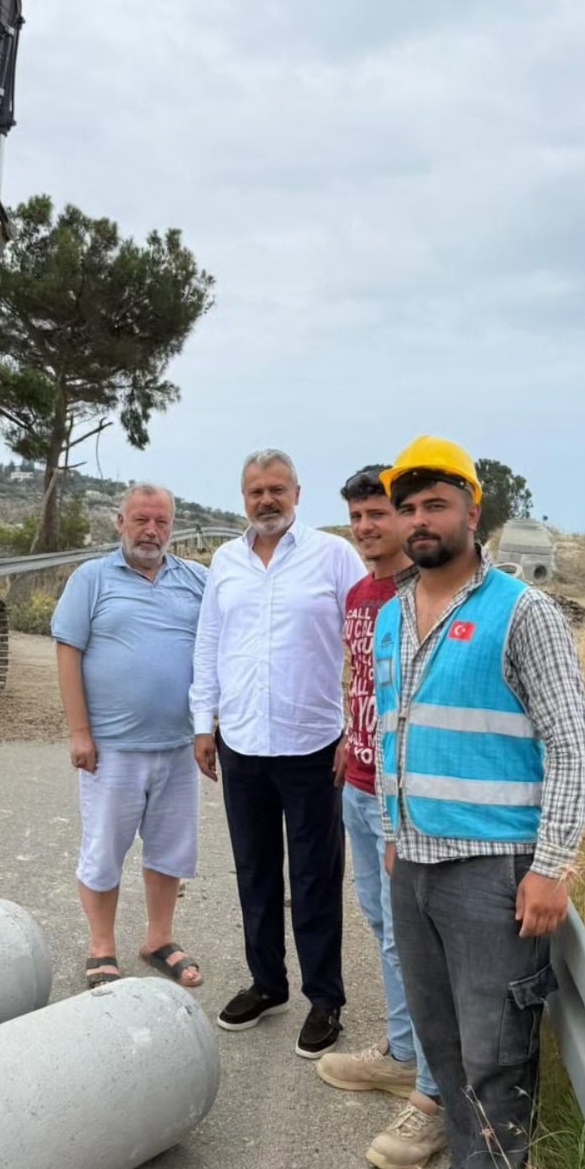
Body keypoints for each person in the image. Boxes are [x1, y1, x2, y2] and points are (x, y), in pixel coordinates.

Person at [373, 436, 585, 1169]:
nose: (420, 522)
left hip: (493, 875)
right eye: (408, 507)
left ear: (473, 510)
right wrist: (393, 832)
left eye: (436, 505)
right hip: (415, 869)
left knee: (497, 1057)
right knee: (448, 1050)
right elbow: (398, 731)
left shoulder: (521, 612)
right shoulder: (396, 610)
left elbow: (572, 742)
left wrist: (551, 865)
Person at [191, 450, 365, 1058]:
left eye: (276, 490)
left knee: (316, 877)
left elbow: (363, 641)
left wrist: (355, 730)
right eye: (255, 491)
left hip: (314, 744)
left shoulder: (333, 556)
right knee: (255, 871)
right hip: (241, 742)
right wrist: (202, 723)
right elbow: (209, 643)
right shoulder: (226, 561)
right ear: (243, 497)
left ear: (297, 492)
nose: (266, 500)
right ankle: (268, 983)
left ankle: (325, 998)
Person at [314, 466, 447, 1169]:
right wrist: (347, 736)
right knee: (378, 925)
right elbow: (364, 681)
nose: (366, 528)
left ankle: (430, 1084)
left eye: (377, 514)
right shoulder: (362, 593)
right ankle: (401, 1054)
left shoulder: (419, 590)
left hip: (402, 799)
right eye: (357, 517)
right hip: (357, 782)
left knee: (410, 937)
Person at [51, 484, 208, 990]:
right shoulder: (92, 579)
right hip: (112, 749)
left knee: (170, 850)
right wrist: (80, 733)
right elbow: (68, 651)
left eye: (161, 521)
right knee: (104, 850)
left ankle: (158, 939)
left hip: (178, 746)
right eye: (141, 520)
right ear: (120, 521)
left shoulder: (196, 581)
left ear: (172, 526)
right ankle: (102, 946)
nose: (151, 531)